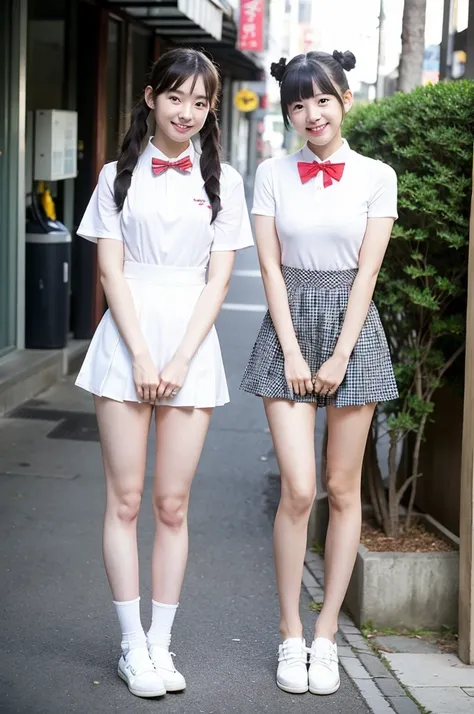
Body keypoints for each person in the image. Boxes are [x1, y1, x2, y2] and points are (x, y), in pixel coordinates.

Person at [75, 48, 253, 698]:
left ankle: (159, 643)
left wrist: (177, 358)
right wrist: (144, 357)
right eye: (176, 97)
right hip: (127, 343)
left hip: (191, 348)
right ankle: (129, 645)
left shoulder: (225, 182)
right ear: (151, 97)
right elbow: (109, 270)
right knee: (124, 501)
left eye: (200, 102)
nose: (187, 112)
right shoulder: (116, 173)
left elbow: (219, 279)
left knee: (172, 504)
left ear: (210, 110)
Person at [241, 49, 398, 696]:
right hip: (287, 332)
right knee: (299, 490)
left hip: (352, 335)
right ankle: (289, 631)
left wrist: (338, 353)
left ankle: (326, 635)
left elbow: (367, 272)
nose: (311, 114)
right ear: (289, 112)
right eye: (298, 104)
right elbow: (272, 269)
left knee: (340, 489)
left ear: (345, 100)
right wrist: (298, 351)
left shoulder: (375, 175)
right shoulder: (272, 173)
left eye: (322, 100)